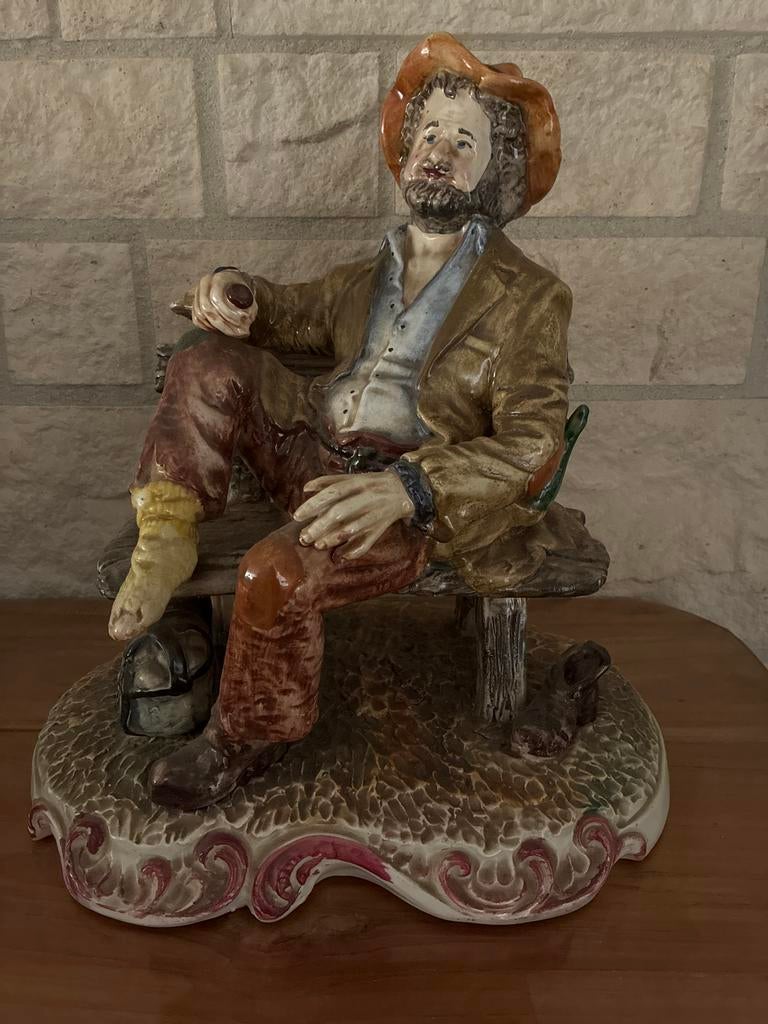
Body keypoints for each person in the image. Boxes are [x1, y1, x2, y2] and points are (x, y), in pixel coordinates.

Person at [109, 33, 574, 809]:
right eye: (430, 134)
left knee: (273, 571)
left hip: (399, 500)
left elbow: (533, 442)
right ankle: (167, 529)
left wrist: (411, 488)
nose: (438, 153)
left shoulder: (528, 299)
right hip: (313, 453)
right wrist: (235, 292)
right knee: (206, 357)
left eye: (465, 142)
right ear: (405, 151)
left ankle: (247, 736)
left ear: (495, 172)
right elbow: (288, 312)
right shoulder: (371, 273)